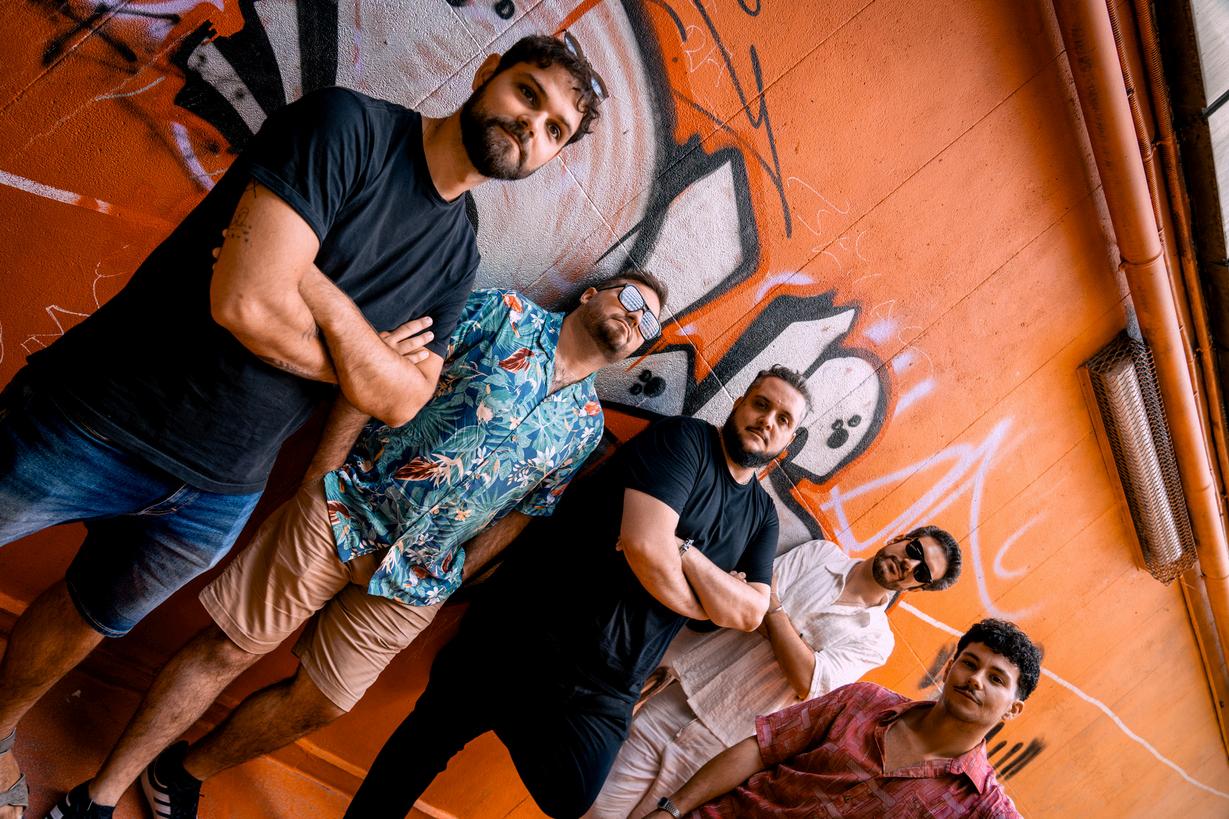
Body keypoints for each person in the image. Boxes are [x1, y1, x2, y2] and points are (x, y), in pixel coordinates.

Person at [0, 33, 605, 819]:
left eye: (555, 129)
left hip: (220, 488)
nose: (532, 126)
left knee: (86, 615)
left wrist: (314, 289)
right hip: (102, 411)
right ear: (489, 72)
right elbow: (244, 302)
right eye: (528, 94)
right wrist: (362, 359)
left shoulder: (457, 254)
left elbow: (400, 401)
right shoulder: (346, 129)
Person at [53, 269, 663, 819]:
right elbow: (383, 367)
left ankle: (179, 774)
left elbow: (527, 510)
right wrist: (323, 474)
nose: (634, 319)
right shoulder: (502, 314)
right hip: (346, 506)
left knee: (323, 702)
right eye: (630, 300)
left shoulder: (586, 426)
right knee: (228, 649)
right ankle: (100, 796)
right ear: (592, 294)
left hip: (418, 577)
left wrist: (458, 574)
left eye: (649, 324)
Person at [345, 366, 813, 819]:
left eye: (783, 419)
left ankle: (511, 705)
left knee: (571, 794)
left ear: (788, 442)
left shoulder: (761, 517)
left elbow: (750, 613)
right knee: (424, 746)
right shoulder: (684, 441)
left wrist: (684, 551)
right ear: (739, 403)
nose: (767, 421)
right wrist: (709, 598)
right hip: (529, 627)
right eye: (761, 404)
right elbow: (646, 548)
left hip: (607, 682)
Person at [589, 525, 963, 818]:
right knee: (595, 805)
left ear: (918, 588)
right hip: (681, 696)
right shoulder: (820, 554)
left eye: (922, 572)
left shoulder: (876, 640)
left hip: (723, 744)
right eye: (915, 551)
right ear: (900, 539)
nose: (909, 564)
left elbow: (807, 681)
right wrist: (789, 638)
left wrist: (774, 610)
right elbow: (748, 605)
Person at [645, 618, 1041, 818]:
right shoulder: (864, 700)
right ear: (949, 667)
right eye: (969, 663)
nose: (975, 680)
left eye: (996, 679)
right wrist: (672, 810)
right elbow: (760, 749)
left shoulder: (979, 804)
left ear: (1013, 708)